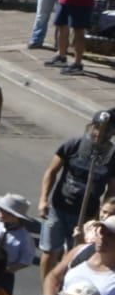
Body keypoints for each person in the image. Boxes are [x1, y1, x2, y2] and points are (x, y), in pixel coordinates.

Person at [39, 108, 115, 283]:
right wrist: (43, 199)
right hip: (59, 207)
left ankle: (64, 287)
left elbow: (111, 190)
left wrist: (105, 215)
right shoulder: (73, 145)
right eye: (97, 128)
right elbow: (52, 171)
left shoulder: (112, 157)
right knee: (49, 250)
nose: (99, 134)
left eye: (107, 131)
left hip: (86, 213)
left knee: (73, 251)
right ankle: (47, 286)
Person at [0, 193, 35, 295]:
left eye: (2, 210)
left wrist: (6, 269)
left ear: (14, 215)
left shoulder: (24, 238)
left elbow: (25, 261)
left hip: (5, 274)